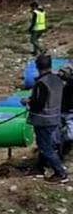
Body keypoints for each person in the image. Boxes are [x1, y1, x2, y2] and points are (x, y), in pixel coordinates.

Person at [22, 55, 69, 184]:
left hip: (43, 120)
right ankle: (39, 168)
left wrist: (27, 101)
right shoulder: (57, 79)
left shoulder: (41, 83)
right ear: (50, 65)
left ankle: (60, 173)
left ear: (37, 66)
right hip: (55, 117)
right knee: (44, 144)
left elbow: (39, 104)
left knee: (46, 148)